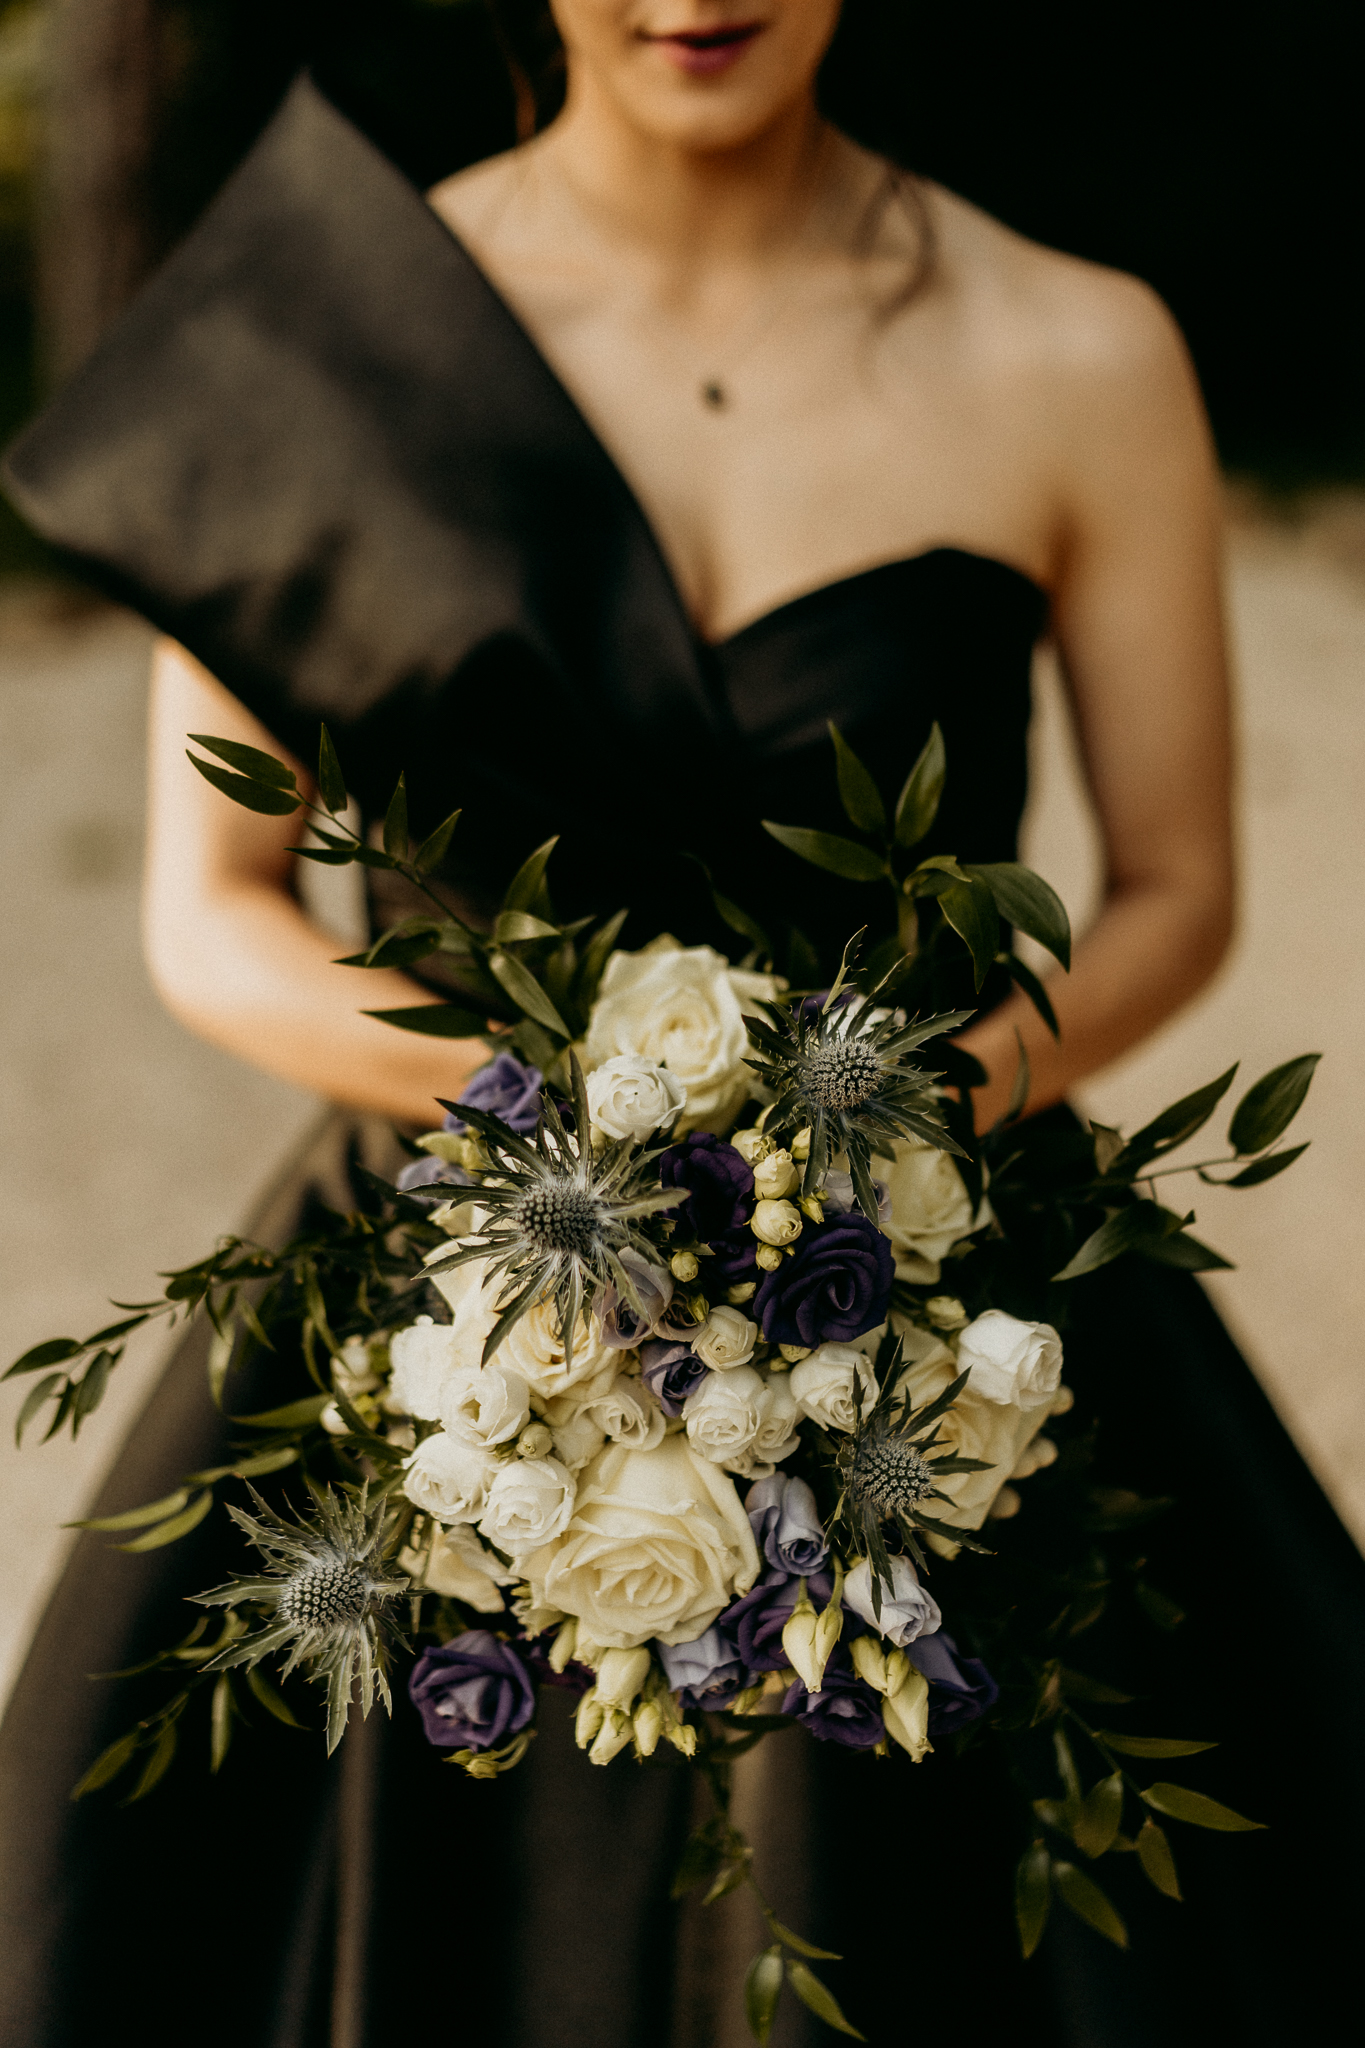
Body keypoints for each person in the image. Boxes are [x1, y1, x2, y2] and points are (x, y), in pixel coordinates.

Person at [2, 6, 1363, 2047]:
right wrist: (560, 1134)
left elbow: (1175, 887)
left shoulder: (1077, 349)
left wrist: (883, 1145)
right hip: (450, 1290)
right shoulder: (307, 342)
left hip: (925, 1288)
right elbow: (213, 912)